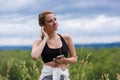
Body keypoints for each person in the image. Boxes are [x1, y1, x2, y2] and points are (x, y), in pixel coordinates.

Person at [31, 10, 77, 80]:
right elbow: (34, 56)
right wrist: (45, 38)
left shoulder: (66, 38)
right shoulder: (38, 42)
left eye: (55, 19)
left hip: (63, 75)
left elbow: (74, 59)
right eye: (50, 21)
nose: (54, 23)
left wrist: (63, 60)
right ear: (43, 25)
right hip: (47, 76)